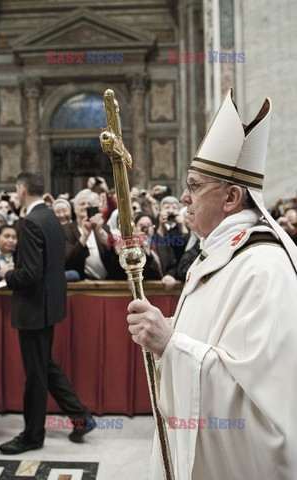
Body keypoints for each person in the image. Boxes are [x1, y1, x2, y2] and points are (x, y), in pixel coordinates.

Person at [127, 89, 297, 479]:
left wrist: (171, 344)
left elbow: (259, 408)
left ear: (232, 197)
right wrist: (172, 333)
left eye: (196, 185)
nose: (184, 196)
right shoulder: (220, 252)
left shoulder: (263, 268)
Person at [0, 172, 94, 455]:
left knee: (36, 374)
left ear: (22, 188)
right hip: (49, 306)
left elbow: (29, 273)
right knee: (45, 366)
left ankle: (32, 436)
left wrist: (8, 273)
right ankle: (81, 417)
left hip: (33, 308)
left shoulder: (30, 222)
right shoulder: (51, 217)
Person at [64, 188, 113, 279]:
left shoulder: (104, 227)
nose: (86, 206)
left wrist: (100, 231)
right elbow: (68, 260)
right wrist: (85, 236)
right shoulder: (66, 230)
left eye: (89, 204)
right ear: (75, 209)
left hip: (108, 280)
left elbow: (115, 251)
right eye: (82, 204)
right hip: (82, 282)